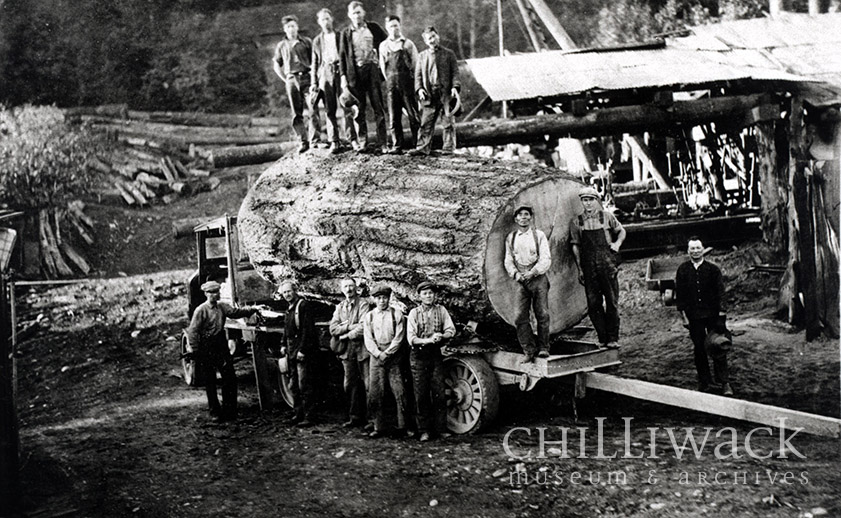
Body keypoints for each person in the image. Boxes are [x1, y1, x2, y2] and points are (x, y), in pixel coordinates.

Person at [187, 280, 259, 422]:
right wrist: (195, 350)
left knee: (230, 377)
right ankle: (214, 411)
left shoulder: (222, 307)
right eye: (211, 293)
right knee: (210, 380)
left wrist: (253, 309)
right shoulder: (201, 310)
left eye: (217, 292)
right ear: (206, 294)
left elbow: (235, 312)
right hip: (206, 346)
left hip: (220, 344)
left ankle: (230, 410)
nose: (215, 295)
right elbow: (193, 331)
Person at [674, 237, 733, 395]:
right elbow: (680, 296)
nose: (695, 251)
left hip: (713, 315)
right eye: (692, 249)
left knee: (718, 346)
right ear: (688, 251)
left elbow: (721, 292)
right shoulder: (683, 270)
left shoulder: (713, 270)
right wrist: (683, 317)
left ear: (703, 249)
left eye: (698, 248)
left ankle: (724, 382)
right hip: (694, 317)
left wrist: (721, 314)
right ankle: (704, 382)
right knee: (699, 349)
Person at [570, 186, 626, 347]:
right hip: (588, 266)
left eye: (591, 200)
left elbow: (621, 231)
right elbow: (575, 246)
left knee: (612, 302)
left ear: (597, 201)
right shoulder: (576, 221)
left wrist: (617, 243)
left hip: (607, 264)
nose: (588, 204)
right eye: (585, 200)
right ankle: (603, 338)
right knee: (593, 304)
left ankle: (613, 338)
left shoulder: (607, 217)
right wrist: (580, 268)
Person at [406, 281, 455, 442]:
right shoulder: (414, 313)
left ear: (435, 295)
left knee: (439, 392)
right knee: (421, 394)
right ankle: (424, 430)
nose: (428, 296)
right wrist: (428, 340)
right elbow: (411, 338)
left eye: (431, 293)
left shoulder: (441, 310)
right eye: (425, 293)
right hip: (419, 355)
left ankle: (441, 428)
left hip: (435, 355)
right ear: (419, 296)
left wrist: (443, 336)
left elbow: (451, 329)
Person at [339, 1, 388, 153]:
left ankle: (383, 143)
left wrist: (382, 66)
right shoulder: (345, 33)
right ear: (349, 15)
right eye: (354, 13)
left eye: (359, 12)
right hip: (355, 74)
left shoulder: (373, 28)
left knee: (378, 107)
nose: (357, 16)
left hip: (373, 71)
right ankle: (362, 142)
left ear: (363, 13)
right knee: (358, 110)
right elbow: (342, 57)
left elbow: (386, 44)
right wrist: (343, 78)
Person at [504, 205, 552, 362]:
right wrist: (516, 274)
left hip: (538, 278)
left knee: (542, 314)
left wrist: (534, 272)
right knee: (519, 317)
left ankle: (544, 348)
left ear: (531, 218)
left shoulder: (539, 236)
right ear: (516, 219)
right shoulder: (511, 238)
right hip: (521, 279)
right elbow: (508, 260)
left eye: (526, 214)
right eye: (520, 215)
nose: (523, 217)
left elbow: (546, 258)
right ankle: (528, 350)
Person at [362, 286, 410, 438]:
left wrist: (388, 353)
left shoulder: (397, 315)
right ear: (374, 300)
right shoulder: (369, 316)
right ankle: (378, 426)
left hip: (393, 356)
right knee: (375, 391)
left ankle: (403, 426)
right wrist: (378, 353)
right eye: (378, 298)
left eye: (384, 298)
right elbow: (368, 339)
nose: (382, 301)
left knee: (399, 390)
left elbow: (399, 337)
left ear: (389, 298)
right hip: (376, 357)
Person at [273, 15, 321, 153]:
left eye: (293, 26)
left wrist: (314, 78)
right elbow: (276, 64)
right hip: (292, 79)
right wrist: (286, 79)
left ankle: (315, 140)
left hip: (307, 78)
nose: (291, 29)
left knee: (313, 108)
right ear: (284, 29)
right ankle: (303, 141)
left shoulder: (306, 42)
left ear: (297, 27)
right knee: (296, 112)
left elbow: (315, 60)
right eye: (288, 27)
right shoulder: (281, 45)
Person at [311, 8, 356, 154]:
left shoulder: (340, 35)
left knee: (346, 105)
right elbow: (315, 63)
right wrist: (314, 82)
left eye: (327, 18)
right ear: (319, 22)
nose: (326, 22)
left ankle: (352, 139)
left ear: (332, 19)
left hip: (340, 71)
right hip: (325, 73)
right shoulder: (317, 40)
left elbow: (347, 56)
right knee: (329, 108)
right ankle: (334, 141)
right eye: (322, 19)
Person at [409, 26, 459, 156]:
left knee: (448, 123)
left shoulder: (449, 54)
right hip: (429, 94)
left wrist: (455, 87)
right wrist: (419, 89)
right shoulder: (422, 56)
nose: (432, 40)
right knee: (426, 123)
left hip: (446, 94)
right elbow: (418, 75)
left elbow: (455, 73)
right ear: (425, 41)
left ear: (438, 36)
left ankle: (449, 148)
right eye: (429, 38)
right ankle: (422, 148)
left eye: (433, 36)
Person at [329, 278, 371, 428]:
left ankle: (371, 420)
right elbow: (332, 329)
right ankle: (355, 417)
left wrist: (346, 333)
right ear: (342, 290)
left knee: (368, 385)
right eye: (345, 286)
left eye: (351, 286)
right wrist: (348, 326)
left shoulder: (363, 304)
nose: (349, 289)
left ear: (356, 288)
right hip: (347, 352)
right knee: (349, 385)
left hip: (362, 350)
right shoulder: (340, 307)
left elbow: (363, 327)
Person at [279, 280, 319, 426]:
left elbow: (308, 330)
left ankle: (309, 416)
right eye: (284, 293)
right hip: (290, 350)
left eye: (289, 291)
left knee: (304, 384)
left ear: (295, 290)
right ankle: (298, 413)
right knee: (293, 384)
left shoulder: (302, 306)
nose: (287, 295)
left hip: (301, 350)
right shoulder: (289, 309)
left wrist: (303, 349)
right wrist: (283, 344)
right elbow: (286, 330)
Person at [378, 15, 420, 154]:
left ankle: (418, 145)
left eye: (396, 25)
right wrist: (391, 81)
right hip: (392, 87)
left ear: (400, 26)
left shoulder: (408, 44)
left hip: (407, 86)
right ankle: (397, 146)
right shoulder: (383, 46)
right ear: (386, 28)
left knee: (413, 116)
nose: (394, 29)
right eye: (391, 26)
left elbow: (416, 66)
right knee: (394, 118)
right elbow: (384, 68)